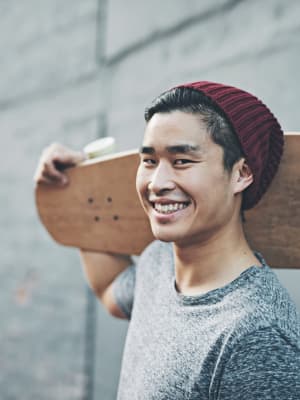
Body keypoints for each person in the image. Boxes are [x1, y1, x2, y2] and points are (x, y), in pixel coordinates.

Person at [34, 81, 300, 399]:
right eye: (149, 161)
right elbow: (110, 287)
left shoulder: (258, 336)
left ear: (241, 174)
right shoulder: (159, 261)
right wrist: (81, 184)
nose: (156, 183)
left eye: (182, 161)